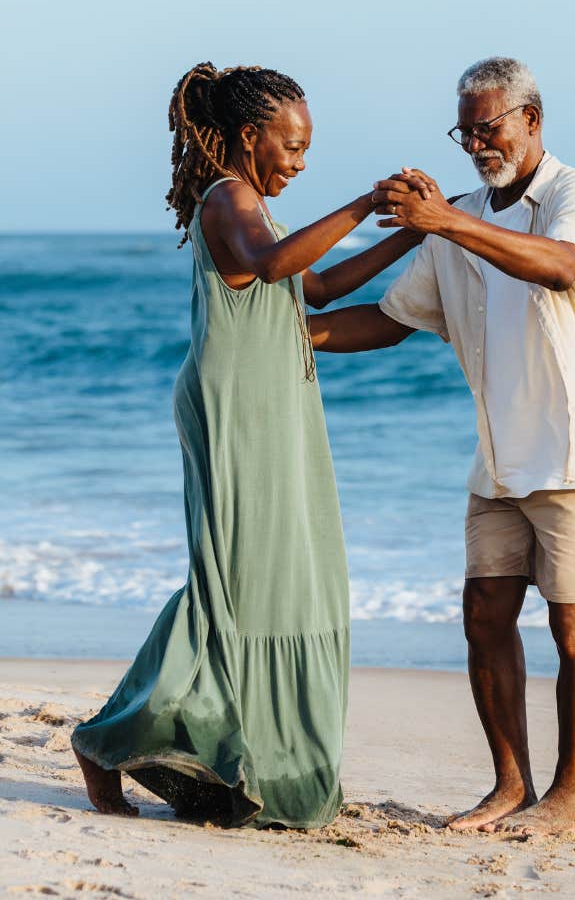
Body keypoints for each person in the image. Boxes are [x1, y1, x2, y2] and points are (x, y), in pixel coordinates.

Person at [71, 62, 426, 829]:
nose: (299, 162)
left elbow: (316, 288)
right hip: (236, 412)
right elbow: (272, 265)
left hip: (275, 408)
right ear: (247, 136)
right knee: (227, 588)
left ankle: (255, 762)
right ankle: (103, 746)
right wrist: (368, 202)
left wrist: (415, 235)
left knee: (280, 580)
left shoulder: (256, 207)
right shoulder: (229, 199)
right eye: (291, 146)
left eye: (307, 149)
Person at [309, 57, 575, 835]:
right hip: (501, 456)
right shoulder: (456, 219)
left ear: (532, 120)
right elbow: (392, 320)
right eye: (463, 129)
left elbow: (563, 267)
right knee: (483, 614)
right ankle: (509, 787)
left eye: (488, 126)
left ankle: (568, 799)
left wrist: (448, 221)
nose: (475, 143)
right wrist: (283, 338)